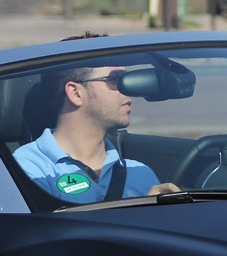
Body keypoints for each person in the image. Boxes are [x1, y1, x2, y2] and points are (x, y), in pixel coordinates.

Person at [12, 63, 180, 203]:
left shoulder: (141, 172)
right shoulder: (29, 169)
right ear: (75, 93)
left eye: (126, 80)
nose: (127, 89)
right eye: (115, 80)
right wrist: (141, 213)